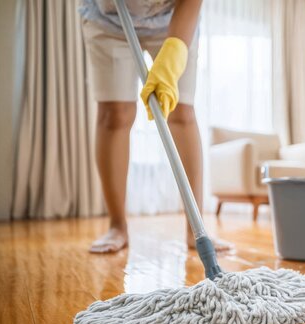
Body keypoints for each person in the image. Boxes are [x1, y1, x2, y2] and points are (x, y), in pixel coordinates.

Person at [79, 0, 229, 253]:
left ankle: (196, 229)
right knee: (114, 114)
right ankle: (117, 225)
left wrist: (175, 50)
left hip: (172, 21)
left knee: (181, 112)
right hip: (109, 22)